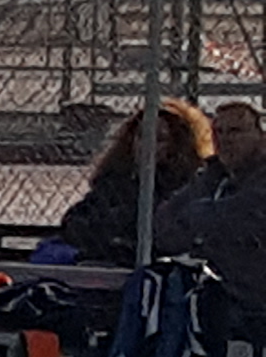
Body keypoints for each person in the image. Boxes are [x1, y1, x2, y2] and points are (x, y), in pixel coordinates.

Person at [55, 98, 214, 264]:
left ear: (177, 146)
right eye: (141, 136)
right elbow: (74, 221)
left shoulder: (186, 186)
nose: (147, 145)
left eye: (159, 139)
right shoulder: (115, 180)